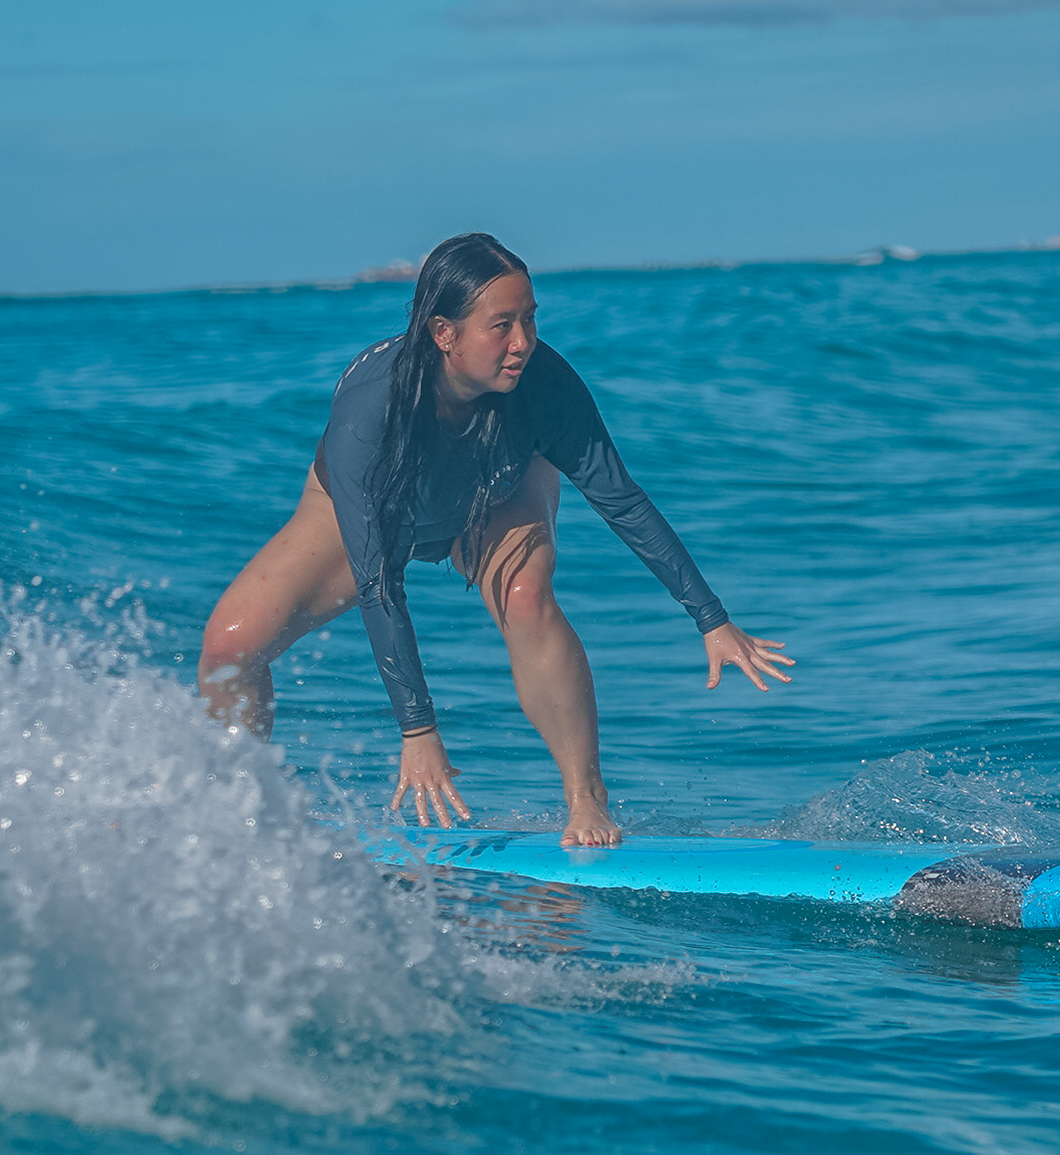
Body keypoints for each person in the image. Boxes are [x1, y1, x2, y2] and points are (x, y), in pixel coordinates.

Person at [198, 232, 791, 846]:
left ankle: (587, 799)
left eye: (530, 320)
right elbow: (379, 582)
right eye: (501, 325)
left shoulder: (546, 385)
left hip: (497, 486)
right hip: (376, 508)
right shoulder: (371, 411)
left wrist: (711, 619)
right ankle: (233, 808)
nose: (523, 343)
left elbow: (621, 500)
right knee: (229, 649)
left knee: (526, 595)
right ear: (443, 333)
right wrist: (417, 729)